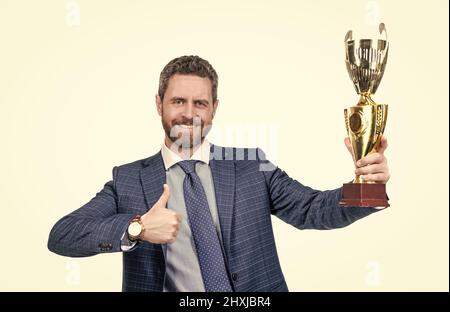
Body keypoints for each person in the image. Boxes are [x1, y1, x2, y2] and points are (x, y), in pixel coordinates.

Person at [48, 55, 390, 292]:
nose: (188, 113)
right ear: (159, 104)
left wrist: (368, 187)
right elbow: (63, 235)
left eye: (200, 103)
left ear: (214, 108)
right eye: (178, 101)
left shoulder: (252, 166)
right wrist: (135, 227)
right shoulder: (128, 180)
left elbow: (313, 209)